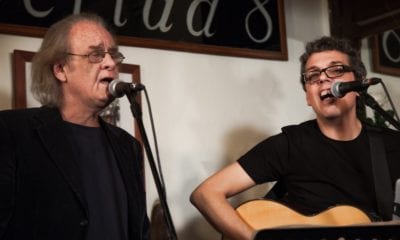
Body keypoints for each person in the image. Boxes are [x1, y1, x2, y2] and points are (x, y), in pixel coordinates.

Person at [190, 36, 400, 240]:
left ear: (359, 85)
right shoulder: (289, 145)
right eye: (313, 75)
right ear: (308, 96)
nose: (323, 78)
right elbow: (206, 194)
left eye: (335, 70)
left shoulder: (390, 145)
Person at [0, 13, 149, 240]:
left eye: (113, 55)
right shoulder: (11, 132)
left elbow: (139, 228)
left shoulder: (128, 146)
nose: (110, 63)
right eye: (96, 54)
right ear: (60, 69)